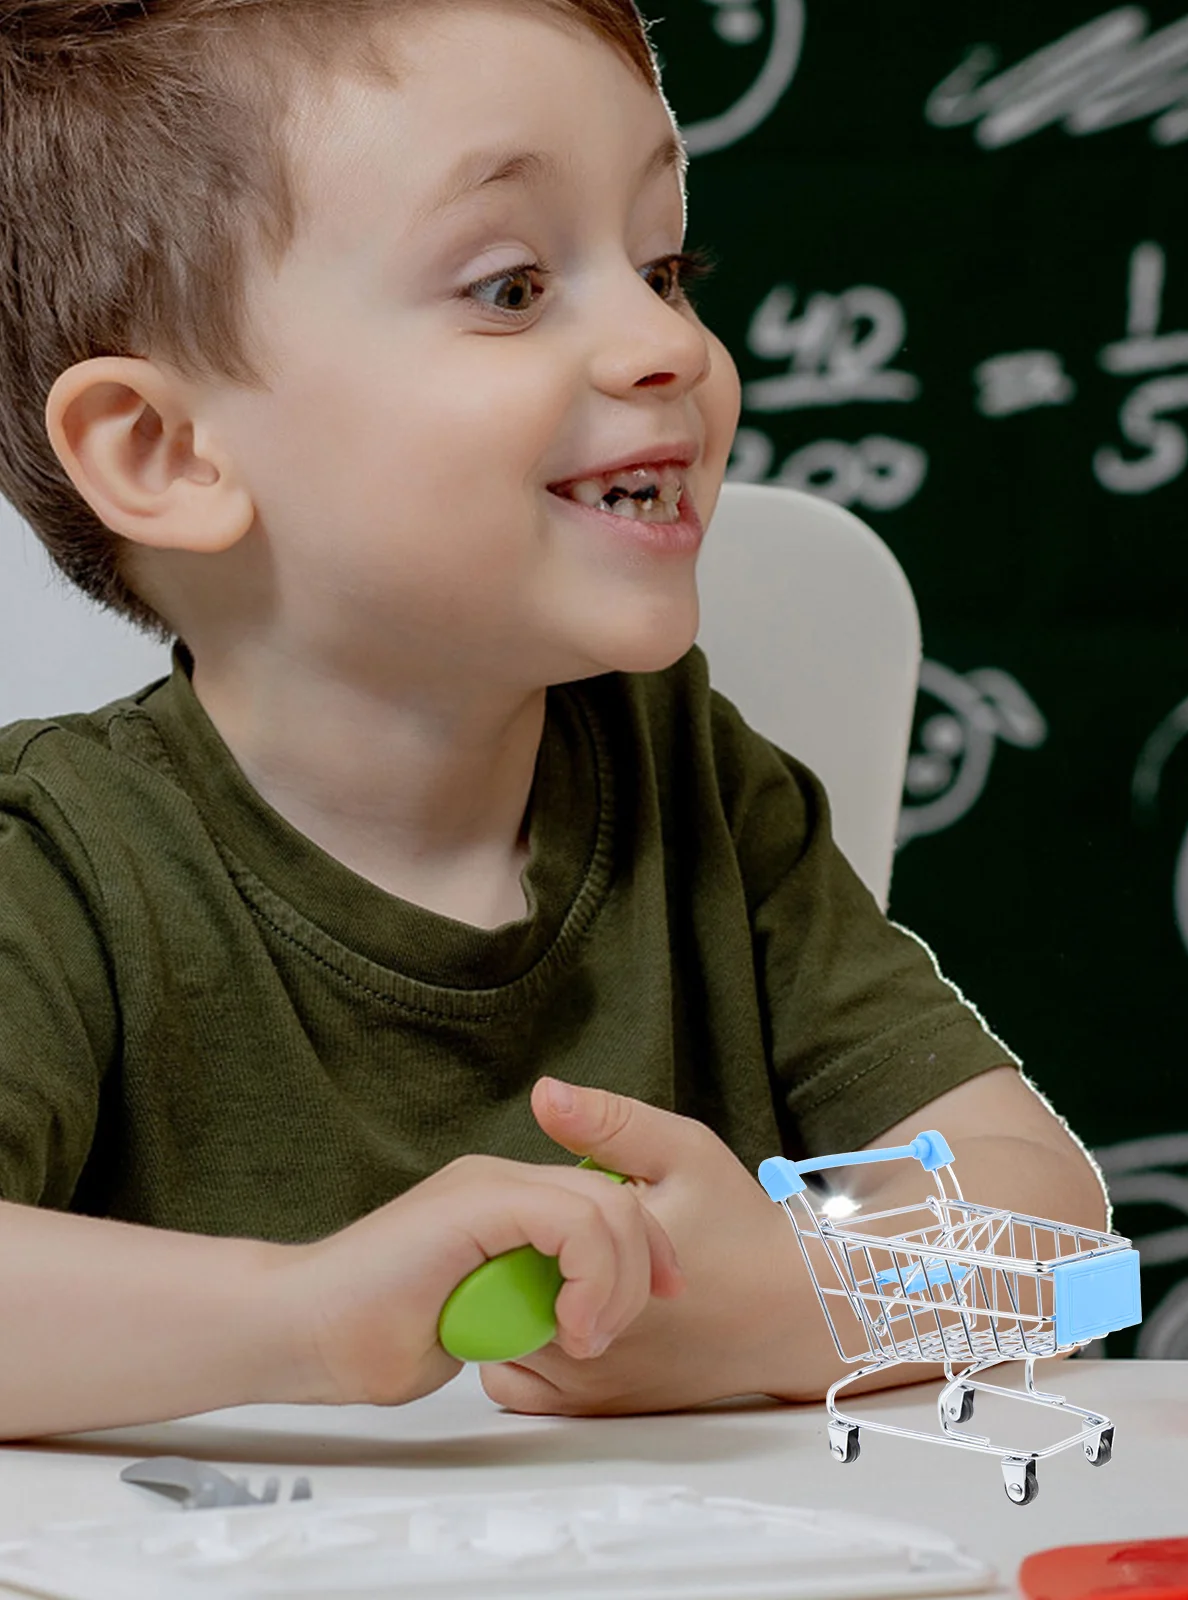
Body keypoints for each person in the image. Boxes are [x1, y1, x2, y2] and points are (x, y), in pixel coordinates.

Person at [0, 0, 1107, 1441]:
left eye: (666, 266)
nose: (666, 344)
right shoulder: (58, 864)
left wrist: (793, 1298)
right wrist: (310, 1316)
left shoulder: (692, 785)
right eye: (512, 287)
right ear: (167, 451)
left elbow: (1067, 1258)